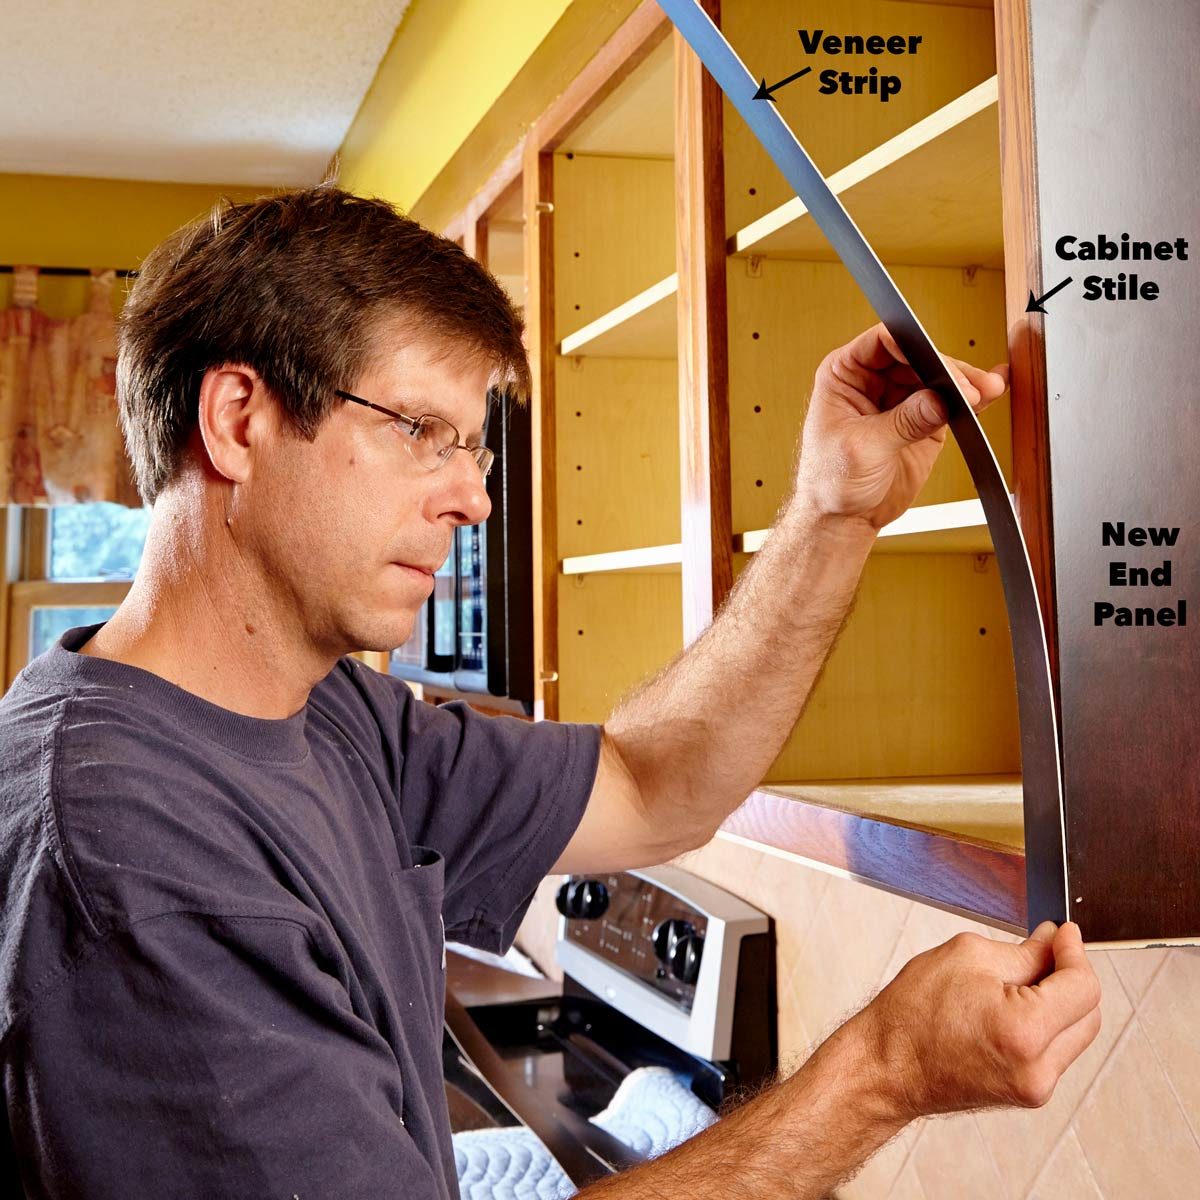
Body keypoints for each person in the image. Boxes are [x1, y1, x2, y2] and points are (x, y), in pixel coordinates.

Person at [0, 185, 1101, 1199]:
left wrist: (834, 512)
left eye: (475, 447)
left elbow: (647, 784)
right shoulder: (128, 855)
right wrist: (883, 1071)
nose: (474, 499)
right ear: (239, 419)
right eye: (421, 431)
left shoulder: (324, 709)